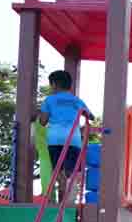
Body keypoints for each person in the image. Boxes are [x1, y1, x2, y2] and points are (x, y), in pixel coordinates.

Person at [34, 70, 94, 202]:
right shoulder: (77, 100)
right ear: (70, 85)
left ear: (54, 85)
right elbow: (90, 116)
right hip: (73, 139)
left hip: (55, 140)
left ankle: (60, 200)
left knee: (59, 171)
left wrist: (39, 115)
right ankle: (68, 200)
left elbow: (43, 122)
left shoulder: (49, 100)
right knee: (71, 172)